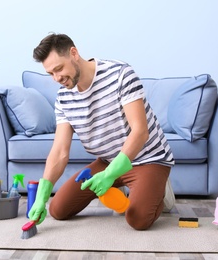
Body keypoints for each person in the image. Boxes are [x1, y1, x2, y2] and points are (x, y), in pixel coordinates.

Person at [28, 33, 175, 230]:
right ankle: (121, 184)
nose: (56, 78)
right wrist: (41, 196)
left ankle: (158, 189)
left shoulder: (120, 74)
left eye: (59, 69)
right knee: (57, 210)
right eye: (50, 74)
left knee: (137, 219)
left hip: (147, 159)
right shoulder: (64, 97)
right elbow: (60, 152)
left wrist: (109, 175)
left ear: (74, 53)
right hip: (107, 162)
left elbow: (140, 131)